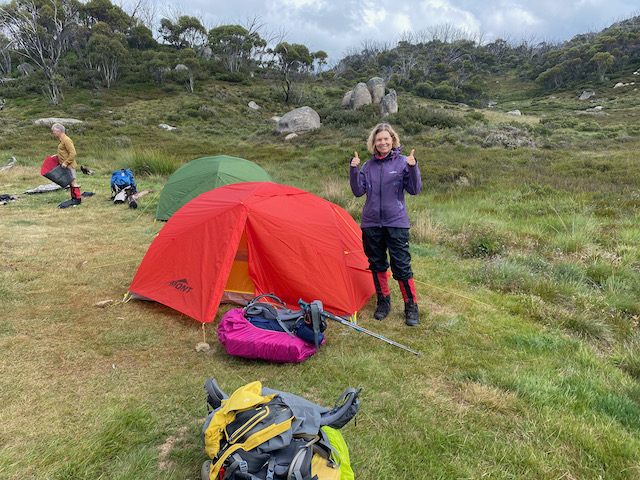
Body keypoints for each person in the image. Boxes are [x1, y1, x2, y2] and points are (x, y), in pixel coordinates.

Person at [349, 123, 423, 326]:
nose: (382, 142)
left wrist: (413, 167)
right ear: (374, 142)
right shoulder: (367, 166)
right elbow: (357, 191)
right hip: (371, 223)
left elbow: (415, 189)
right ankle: (383, 303)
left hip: (396, 223)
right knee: (377, 265)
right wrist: (354, 169)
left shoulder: (402, 162)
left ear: (393, 141)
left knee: (401, 266)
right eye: (378, 139)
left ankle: (411, 308)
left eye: (386, 139)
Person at [51, 123, 82, 206]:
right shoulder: (61, 140)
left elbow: (73, 153)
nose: (53, 132)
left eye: (54, 131)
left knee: (73, 182)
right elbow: (64, 152)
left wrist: (65, 162)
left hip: (69, 165)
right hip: (65, 165)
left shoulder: (66, 140)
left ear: (59, 131)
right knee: (70, 182)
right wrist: (57, 156)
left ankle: (77, 200)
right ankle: (73, 199)